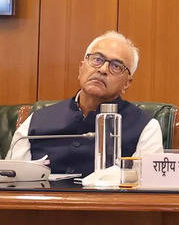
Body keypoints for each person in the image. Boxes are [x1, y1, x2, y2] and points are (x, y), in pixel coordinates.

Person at [5, 31, 163, 175]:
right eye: (97, 59)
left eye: (116, 66)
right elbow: (11, 179)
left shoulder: (146, 128)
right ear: (81, 68)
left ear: (127, 83)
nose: (102, 69)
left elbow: (146, 189)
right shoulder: (36, 120)